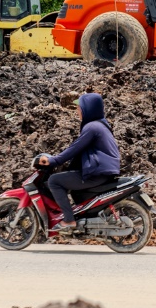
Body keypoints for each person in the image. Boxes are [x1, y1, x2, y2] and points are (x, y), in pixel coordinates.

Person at [39, 92, 120, 233]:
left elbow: (74, 149)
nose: (77, 111)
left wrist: (54, 161)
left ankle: (69, 220)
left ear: (89, 109)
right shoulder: (101, 125)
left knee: (54, 181)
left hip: (97, 174)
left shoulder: (92, 127)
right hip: (103, 172)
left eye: (80, 108)